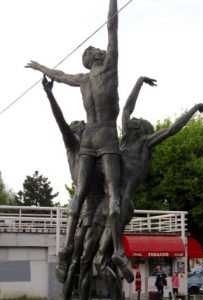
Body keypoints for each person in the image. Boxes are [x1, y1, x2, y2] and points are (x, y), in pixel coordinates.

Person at [26, 0, 127, 276]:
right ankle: (117, 251)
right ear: (96, 57)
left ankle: (66, 248)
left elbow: (58, 74)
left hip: (88, 139)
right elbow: (112, 25)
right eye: (98, 50)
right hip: (105, 134)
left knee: (79, 194)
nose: (103, 50)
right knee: (114, 193)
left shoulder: (82, 80)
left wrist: (40, 67)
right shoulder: (110, 69)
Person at [94, 75, 203, 272]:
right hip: (108, 201)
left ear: (141, 129)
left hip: (122, 205)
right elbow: (127, 108)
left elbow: (172, 129)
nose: (132, 119)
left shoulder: (144, 143)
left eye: (137, 120)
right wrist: (139, 82)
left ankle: (118, 254)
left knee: (102, 252)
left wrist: (195, 109)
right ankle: (112, 263)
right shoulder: (123, 141)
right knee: (94, 253)